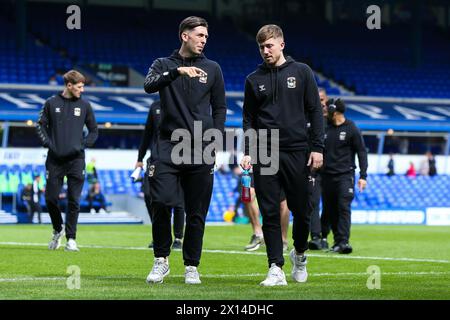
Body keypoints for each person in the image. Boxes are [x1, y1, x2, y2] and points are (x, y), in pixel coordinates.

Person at [143, 16, 226, 284]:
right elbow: (149, 85)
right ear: (184, 36)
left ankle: (191, 265)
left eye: (206, 36)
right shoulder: (162, 64)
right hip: (168, 144)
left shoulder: (213, 68)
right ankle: (161, 260)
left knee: (196, 211)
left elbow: (220, 107)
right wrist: (175, 73)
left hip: (201, 146)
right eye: (199, 35)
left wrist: (217, 136)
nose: (204, 40)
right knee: (161, 202)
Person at [241, 24, 324, 286]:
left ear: (281, 44)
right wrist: (248, 151)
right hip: (265, 150)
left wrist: (317, 147)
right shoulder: (253, 79)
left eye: (269, 46)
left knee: (302, 211)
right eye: (261, 47)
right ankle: (275, 267)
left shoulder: (302, 72)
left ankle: (299, 253)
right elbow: (248, 119)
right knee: (269, 211)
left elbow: (315, 111)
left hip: (297, 150)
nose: (265, 51)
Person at [36, 69, 98, 252]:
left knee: (74, 200)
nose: (82, 90)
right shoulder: (51, 103)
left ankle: (71, 239)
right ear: (69, 86)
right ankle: (58, 229)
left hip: (76, 161)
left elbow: (94, 131)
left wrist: (82, 146)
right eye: (79, 87)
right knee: (50, 199)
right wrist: (49, 144)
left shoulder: (85, 106)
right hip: (55, 160)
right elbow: (40, 126)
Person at [135, 100, 185, 250]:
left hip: (179, 158)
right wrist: (139, 158)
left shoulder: (182, 103)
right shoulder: (155, 106)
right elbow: (147, 132)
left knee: (178, 200)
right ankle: (160, 234)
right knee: (149, 195)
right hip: (156, 158)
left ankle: (178, 237)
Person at [321, 98, 368, 254]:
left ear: (335, 112)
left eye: (328, 110)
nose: (325, 113)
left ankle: (344, 242)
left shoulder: (351, 128)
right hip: (327, 176)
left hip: (345, 175)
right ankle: (337, 241)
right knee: (330, 209)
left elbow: (361, 152)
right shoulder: (325, 128)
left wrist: (363, 175)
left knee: (343, 207)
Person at [308, 87, 331, 251]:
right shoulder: (307, 119)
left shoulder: (336, 122)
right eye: (318, 100)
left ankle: (324, 235)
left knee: (330, 205)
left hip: (332, 171)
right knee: (313, 202)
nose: (321, 103)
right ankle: (315, 237)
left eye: (323, 100)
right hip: (313, 169)